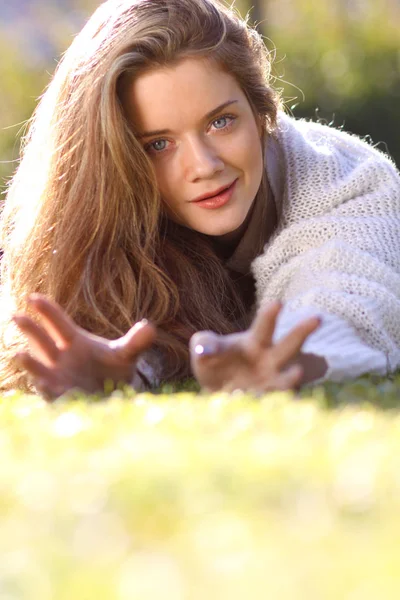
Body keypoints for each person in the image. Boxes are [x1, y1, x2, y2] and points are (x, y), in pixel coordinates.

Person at [1, 0, 399, 400]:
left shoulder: (351, 183)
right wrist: (116, 370)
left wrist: (288, 359)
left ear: (262, 109)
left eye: (220, 121)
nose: (204, 166)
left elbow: (348, 302)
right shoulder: (110, 212)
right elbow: (132, 337)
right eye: (158, 144)